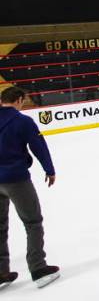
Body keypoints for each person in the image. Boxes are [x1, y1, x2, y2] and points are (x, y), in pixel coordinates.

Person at [0, 86, 59, 289]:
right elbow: (38, 146)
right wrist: (49, 170)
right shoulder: (22, 121)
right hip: (16, 179)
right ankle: (38, 267)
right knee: (33, 222)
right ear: (18, 100)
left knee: (0, 225)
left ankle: (1, 271)